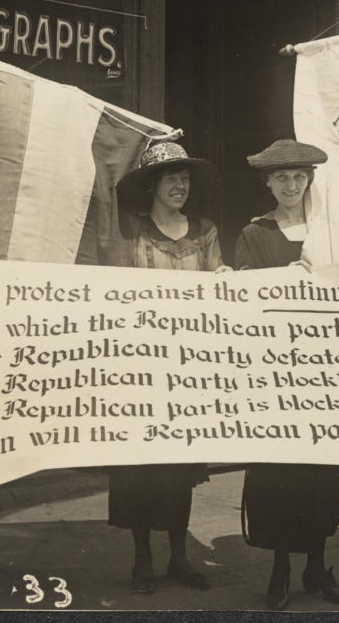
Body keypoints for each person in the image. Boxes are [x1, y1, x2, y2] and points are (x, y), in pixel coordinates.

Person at [103, 141, 230, 595]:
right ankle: (143, 559)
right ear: (152, 184)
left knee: (180, 469)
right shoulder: (130, 231)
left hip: (188, 370)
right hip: (141, 369)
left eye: (185, 177)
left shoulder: (205, 231)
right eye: (171, 177)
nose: (180, 185)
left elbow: (220, 292)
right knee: (142, 464)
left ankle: (179, 556)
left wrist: (223, 282)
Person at [235, 139, 339, 611]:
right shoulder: (254, 233)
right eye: (281, 177)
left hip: (325, 373)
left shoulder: (333, 233)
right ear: (268, 182)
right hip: (278, 375)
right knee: (280, 475)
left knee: (322, 475)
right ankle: (281, 569)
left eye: (298, 177)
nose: (290, 185)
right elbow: (244, 302)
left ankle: (317, 566)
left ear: (310, 181)